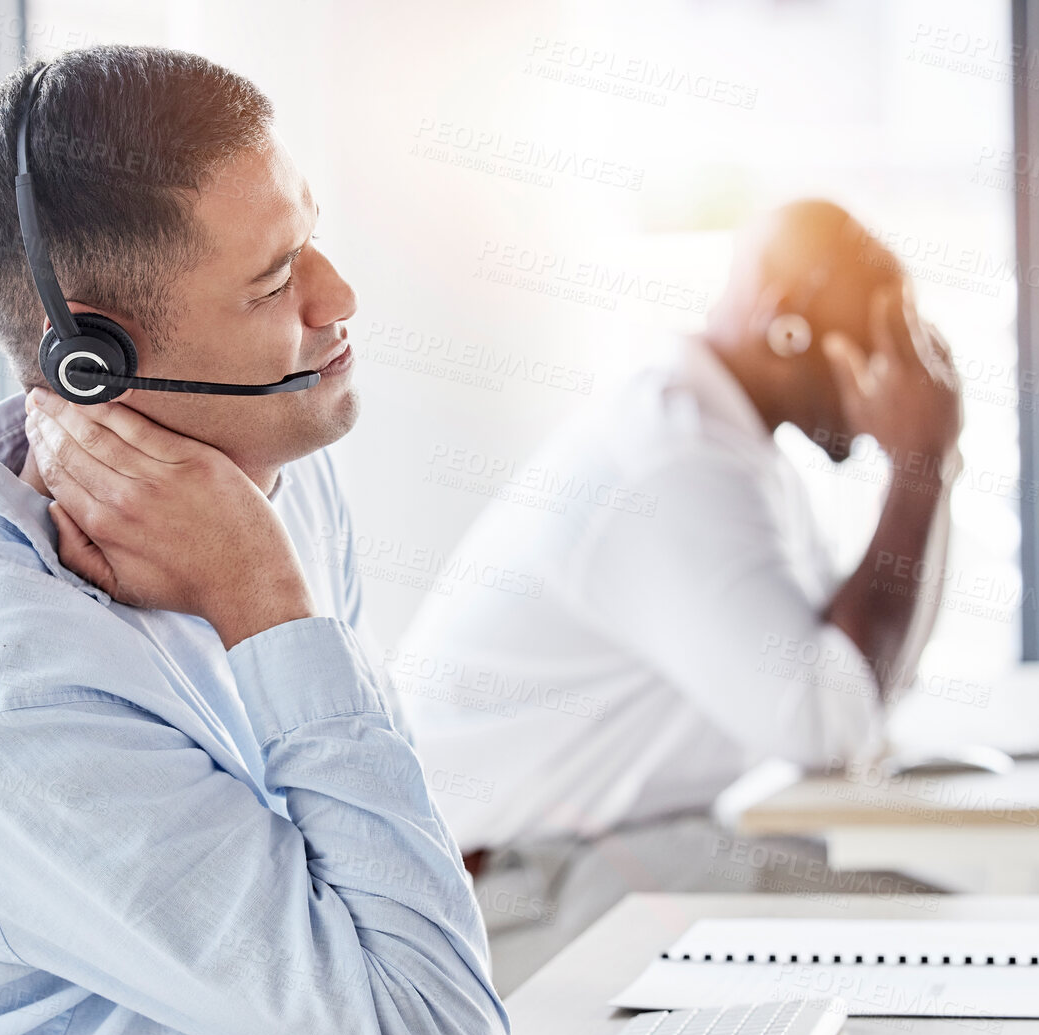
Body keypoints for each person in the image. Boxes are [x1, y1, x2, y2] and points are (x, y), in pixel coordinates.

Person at [0, 46, 508, 1035]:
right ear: (93, 357)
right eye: (275, 277)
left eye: (310, 235)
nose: (339, 297)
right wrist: (264, 606)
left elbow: (375, 925)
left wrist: (262, 585)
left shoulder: (271, 482)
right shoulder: (17, 701)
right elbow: (432, 1031)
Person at [396, 201, 963, 988]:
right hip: (518, 894)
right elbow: (830, 718)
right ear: (787, 328)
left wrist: (929, 462)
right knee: (927, 948)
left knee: (935, 937)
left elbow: (859, 679)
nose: (887, 378)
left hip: (600, 854)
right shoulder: (675, 461)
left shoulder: (733, 449)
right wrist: (919, 464)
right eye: (874, 346)